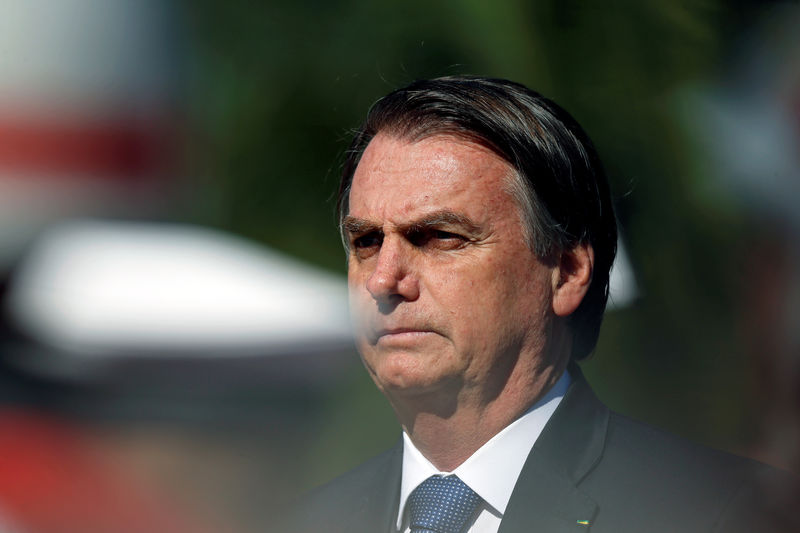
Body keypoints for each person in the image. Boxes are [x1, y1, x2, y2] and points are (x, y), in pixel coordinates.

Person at [289, 76, 791, 533]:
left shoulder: (722, 514)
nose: (383, 280)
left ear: (567, 273)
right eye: (366, 242)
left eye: (439, 236)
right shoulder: (296, 523)